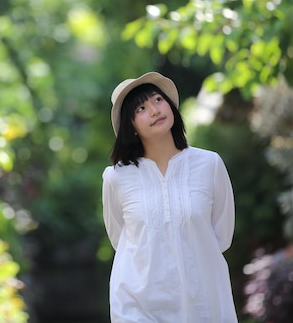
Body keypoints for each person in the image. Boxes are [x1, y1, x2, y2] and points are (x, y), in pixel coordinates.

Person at [102, 71, 238, 323]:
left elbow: (221, 234)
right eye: (141, 108)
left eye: (157, 100)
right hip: (138, 306)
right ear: (129, 126)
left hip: (202, 302)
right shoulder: (115, 178)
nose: (154, 110)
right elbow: (122, 241)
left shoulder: (209, 164)